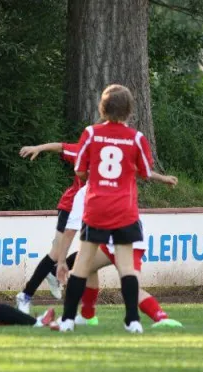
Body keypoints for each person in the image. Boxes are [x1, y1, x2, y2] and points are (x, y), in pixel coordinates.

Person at [59, 84, 153, 333]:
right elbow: (145, 172)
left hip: (96, 208)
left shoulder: (91, 133)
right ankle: (132, 321)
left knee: (82, 264)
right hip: (124, 210)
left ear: (102, 108)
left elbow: (80, 170)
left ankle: (67, 319)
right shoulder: (136, 138)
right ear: (129, 110)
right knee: (127, 267)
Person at [55, 180, 183, 328]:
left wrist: (61, 261)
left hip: (127, 242)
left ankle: (161, 318)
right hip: (119, 241)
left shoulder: (85, 192)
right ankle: (87, 316)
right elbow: (141, 172)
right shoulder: (117, 182)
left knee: (130, 286)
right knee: (87, 267)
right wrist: (162, 178)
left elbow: (70, 230)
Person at [14, 141, 81, 314]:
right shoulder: (85, 149)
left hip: (95, 208)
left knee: (96, 251)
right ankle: (25, 295)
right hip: (72, 206)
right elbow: (61, 147)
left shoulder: (114, 153)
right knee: (56, 253)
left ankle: (55, 272)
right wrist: (38, 148)